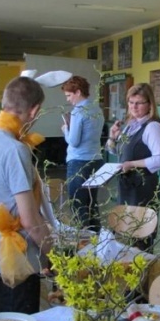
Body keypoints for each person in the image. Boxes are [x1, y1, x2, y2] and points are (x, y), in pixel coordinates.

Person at [0, 75, 52, 313]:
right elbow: (29, 220)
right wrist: (54, 254)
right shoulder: (15, 149)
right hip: (20, 259)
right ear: (34, 110)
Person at [107, 83, 160, 208]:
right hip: (127, 185)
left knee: (140, 225)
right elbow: (116, 151)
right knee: (125, 225)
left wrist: (132, 164)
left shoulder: (152, 127)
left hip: (142, 186)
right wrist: (112, 137)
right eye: (131, 102)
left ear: (149, 104)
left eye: (139, 103)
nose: (134, 107)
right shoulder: (131, 125)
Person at [61, 75, 104, 231]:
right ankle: (97, 241)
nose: (68, 99)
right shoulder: (97, 109)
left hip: (79, 162)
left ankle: (83, 243)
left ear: (78, 92)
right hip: (96, 161)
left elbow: (74, 141)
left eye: (69, 95)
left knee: (78, 205)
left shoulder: (77, 112)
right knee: (92, 204)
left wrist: (66, 129)